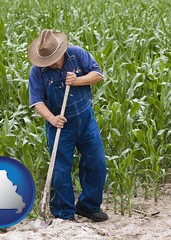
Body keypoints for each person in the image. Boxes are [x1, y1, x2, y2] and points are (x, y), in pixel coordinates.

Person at [27, 29, 108, 222]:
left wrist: (78, 80)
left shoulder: (77, 54)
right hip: (60, 125)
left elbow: (98, 75)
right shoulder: (37, 72)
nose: (53, 63)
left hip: (85, 119)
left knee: (96, 162)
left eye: (54, 58)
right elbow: (36, 102)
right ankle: (64, 212)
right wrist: (52, 118)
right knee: (61, 169)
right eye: (48, 60)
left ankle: (88, 206)